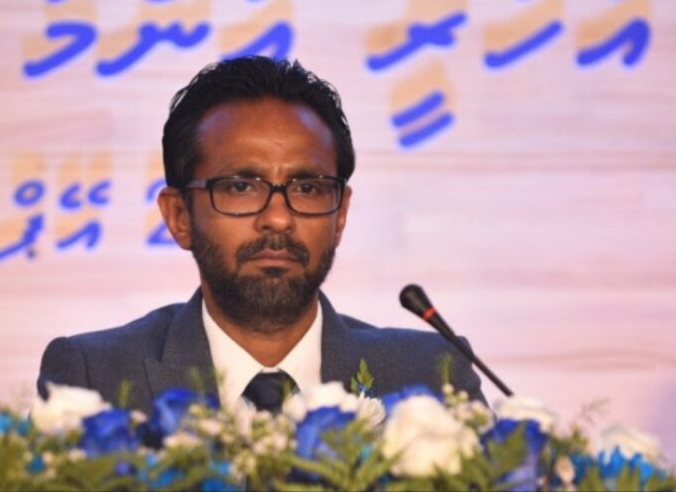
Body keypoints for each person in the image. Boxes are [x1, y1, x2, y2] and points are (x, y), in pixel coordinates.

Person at [37, 56, 485, 413]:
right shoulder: (94, 378)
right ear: (179, 216)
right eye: (240, 187)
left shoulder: (432, 376)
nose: (278, 218)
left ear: (341, 214)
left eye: (307, 188)